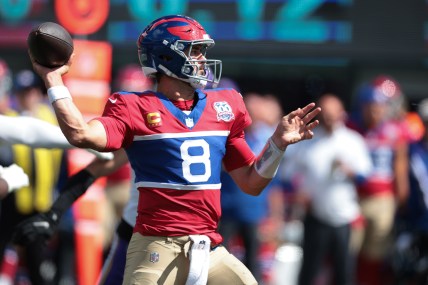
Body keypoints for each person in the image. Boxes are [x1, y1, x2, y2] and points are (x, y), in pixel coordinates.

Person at [28, 14, 321, 285]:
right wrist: (53, 79)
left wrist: (277, 145)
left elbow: (251, 182)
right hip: (156, 246)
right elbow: (80, 133)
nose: (203, 59)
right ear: (167, 55)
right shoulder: (134, 107)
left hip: (209, 248)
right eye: (195, 50)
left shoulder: (226, 105)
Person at [281, 94, 372, 285]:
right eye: (326, 115)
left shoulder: (352, 141)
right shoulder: (309, 140)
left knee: (344, 271)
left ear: (342, 114)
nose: (330, 119)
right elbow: (288, 174)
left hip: (343, 217)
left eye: (333, 114)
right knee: (309, 270)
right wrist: (299, 194)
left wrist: (349, 171)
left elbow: (365, 175)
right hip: (316, 215)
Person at [348, 77, 409, 285]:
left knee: (376, 253)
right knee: (349, 249)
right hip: (353, 197)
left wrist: (402, 198)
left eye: (380, 105)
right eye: (371, 105)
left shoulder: (397, 129)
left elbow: (399, 166)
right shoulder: (351, 126)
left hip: (383, 199)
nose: (376, 111)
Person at [219, 92, 284, 283]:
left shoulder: (265, 140)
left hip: (254, 212)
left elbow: (274, 184)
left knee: (253, 263)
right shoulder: (230, 137)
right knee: (221, 262)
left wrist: (276, 217)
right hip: (227, 210)